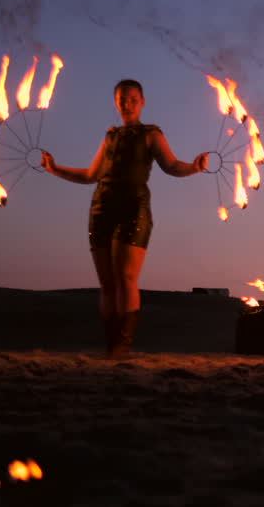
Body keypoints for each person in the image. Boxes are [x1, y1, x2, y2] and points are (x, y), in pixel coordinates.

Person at [42, 79, 208, 359]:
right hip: (101, 208)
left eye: (132, 99)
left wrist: (194, 167)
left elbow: (171, 165)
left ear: (142, 102)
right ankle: (111, 348)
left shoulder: (151, 134)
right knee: (107, 283)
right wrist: (54, 168)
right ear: (115, 102)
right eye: (121, 99)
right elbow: (91, 175)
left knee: (126, 277)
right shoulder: (111, 137)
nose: (126, 104)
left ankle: (123, 347)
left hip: (134, 207)